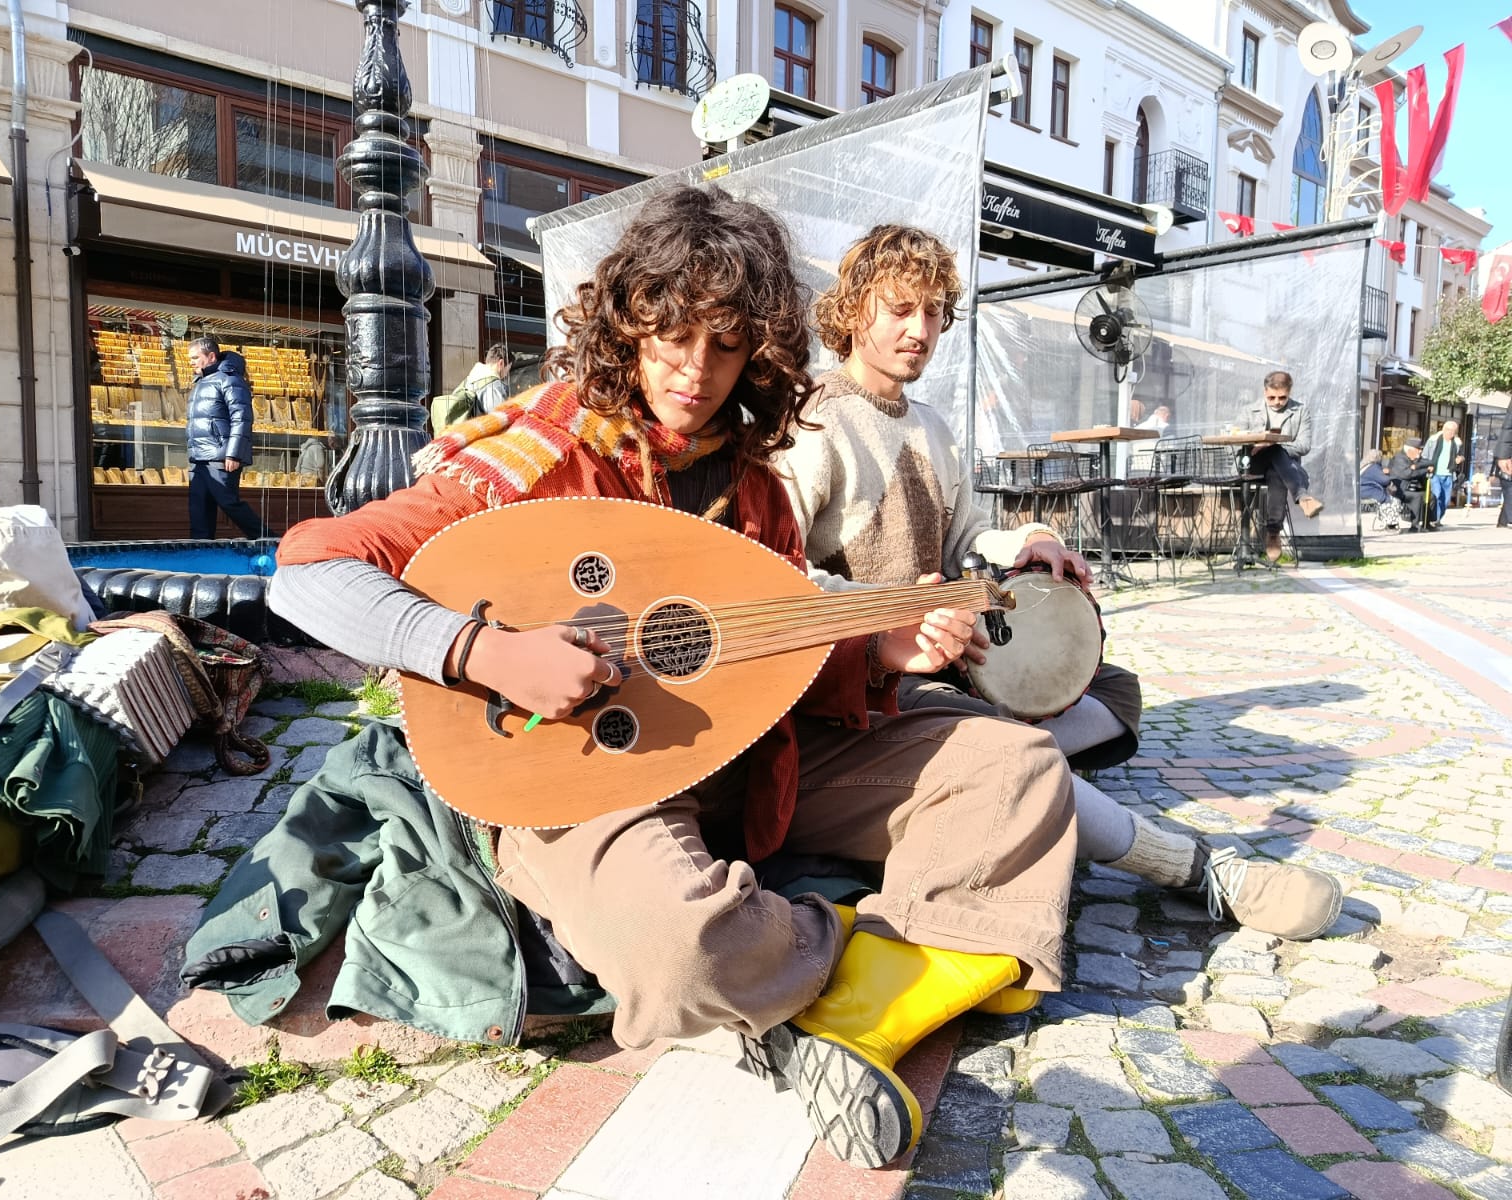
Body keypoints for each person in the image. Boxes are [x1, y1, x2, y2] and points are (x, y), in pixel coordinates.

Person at [266, 186, 1079, 1169]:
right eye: (670, 334)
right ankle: (873, 959)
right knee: (679, 945)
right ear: (625, 323)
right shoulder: (543, 455)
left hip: (749, 758)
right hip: (586, 777)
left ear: (760, 353)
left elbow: (764, 644)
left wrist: (876, 649)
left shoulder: (751, 483)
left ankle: (849, 1010)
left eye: (726, 344)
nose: (695, 371)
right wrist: (483, 653)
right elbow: (311, 572)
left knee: (1016, 772)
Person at [776, 224, 1341, 943]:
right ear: (854, 309)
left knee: (1112, 690)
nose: (919, 330)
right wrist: (895, 622)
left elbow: (967, 534)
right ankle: (1198, 869)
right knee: (1019, 756)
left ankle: (1013, 768)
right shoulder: (813, 421)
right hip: (865, 677)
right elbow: (784, 576)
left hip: (945, 654)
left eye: (933, 313)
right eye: (898, 309)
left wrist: (1032, 540)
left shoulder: (933, 426)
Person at [1235, 370, 1322, 564]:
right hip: (1253, 463)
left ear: (1290, 392)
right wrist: (1257, 443)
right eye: (1271, 397)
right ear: (1264, 391)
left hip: (1284, 467)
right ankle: (1302, 497)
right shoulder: (1248, 410)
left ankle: (1273, 532)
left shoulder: (1300, 411)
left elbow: (1304, 446)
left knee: (1276, 464)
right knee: (1273, 451)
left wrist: (1272, 444)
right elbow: (1235, 440)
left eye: (1282, 398)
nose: (1277, 402)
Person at [186, 336, 269, 540]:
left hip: (220, 455)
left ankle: (269, 540)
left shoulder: (229, 379)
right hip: (199, 456)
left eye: (196, 357)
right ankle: (201, 552)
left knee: (229, 503)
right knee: (199, 509)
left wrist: (233, 454)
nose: (192, 362)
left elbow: (242, 417)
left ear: (211, 356)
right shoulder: (201, 382)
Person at [431, 343, 511, 434]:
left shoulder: (467, 383)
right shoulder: (494, 385)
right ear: (501, 363)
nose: (506, 374)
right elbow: (500, 421)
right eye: (508, 369)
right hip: (483, 444)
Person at [1421, 420, 1464, 526]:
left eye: (1453, 431)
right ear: (1444, 430)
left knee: (1446, 499)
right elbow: (1425, 455)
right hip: (1435, 473)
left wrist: (1460, 459)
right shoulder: (1433, 440)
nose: (1451, 433)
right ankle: (1434, 518)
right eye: (1449, 430)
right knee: (1437, 495)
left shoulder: (1457, 443)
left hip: (1449, 474)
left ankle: (1438, 518)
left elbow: (1462, 455)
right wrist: (1428, 466)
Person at [1389, 437, 1433, 532]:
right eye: (1418, 449)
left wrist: (1416, 466)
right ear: (1410, 450)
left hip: (1412, 488)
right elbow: (1408, 474)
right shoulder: (1399, 458)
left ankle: (1427, 523)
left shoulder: (1415, 458)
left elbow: (1431, 462)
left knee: (1431, 496)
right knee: (1418, 497)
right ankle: (1415, 526)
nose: (1420, 452)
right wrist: (1425, 470)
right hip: (1400, 489)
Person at [1358, 449, 1402, 530]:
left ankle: (1387, 521)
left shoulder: (1364, 465)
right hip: (1369, 491)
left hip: (1362, 490)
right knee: (1392, 500)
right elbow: (1384, 480)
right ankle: (1390, 523)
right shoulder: (1374, 467)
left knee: (1387, 498)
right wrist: (1390, 476)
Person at [1496, 419, 1512, 529]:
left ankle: (1503, 521)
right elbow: (1509, 425)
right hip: (1507, 471)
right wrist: (1503, 456)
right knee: (1509, 493)